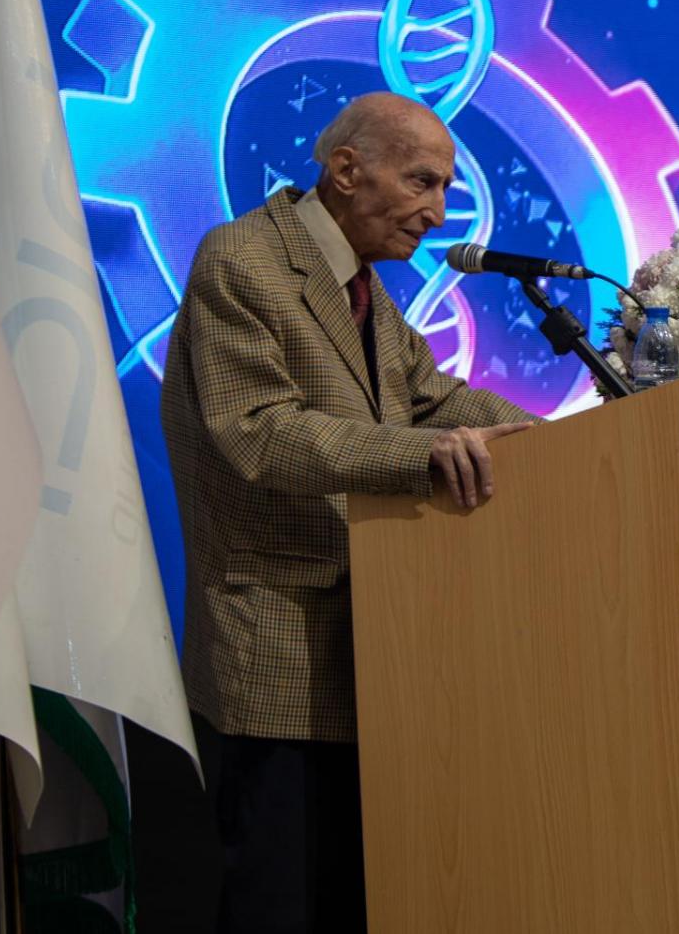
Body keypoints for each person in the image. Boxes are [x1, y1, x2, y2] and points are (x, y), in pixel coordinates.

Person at [161, 91, 536, 932]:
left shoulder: (362, 286)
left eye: (445, 189)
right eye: (422, 182)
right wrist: (419, 457)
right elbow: (260, 432)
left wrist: (567, 440)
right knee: (279, 904)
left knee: (354, 902)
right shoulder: (242, 260)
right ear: (344, 170)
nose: (438, 212)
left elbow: (434, 399)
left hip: (377, 644)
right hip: (278, 647)